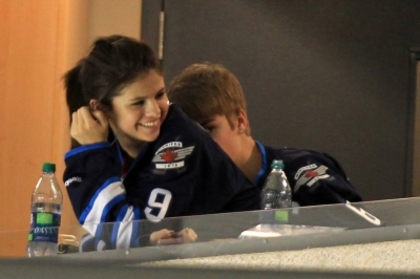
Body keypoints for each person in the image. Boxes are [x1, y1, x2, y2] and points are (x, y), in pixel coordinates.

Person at [62, 36, 260, 250]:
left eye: (159, 95)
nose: (155, 111)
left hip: (247, 262)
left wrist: (92, 155)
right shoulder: (110, 148)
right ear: (100, 109)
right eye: (138, 102)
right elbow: (117, 240)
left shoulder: (179, 141)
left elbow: (129, 232)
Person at [167, 62, 362, 206]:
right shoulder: (190, 194)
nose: (199, 146)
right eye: (189, 136)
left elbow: (362, 239)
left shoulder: (304, 172)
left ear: (240, 121)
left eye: (209, 130)